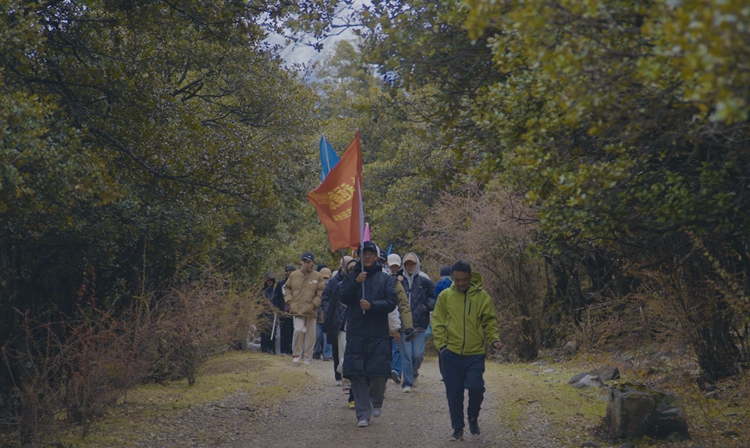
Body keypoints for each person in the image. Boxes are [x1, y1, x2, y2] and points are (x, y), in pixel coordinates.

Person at [432, 261, 503, 441]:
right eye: (457, 280)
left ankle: (473, 416)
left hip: (475, 353)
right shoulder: (445, 296)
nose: (461, 283)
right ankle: (457, 428)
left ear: (470, 277)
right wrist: (442, 347)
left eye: (464, 279)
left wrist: (494, 340)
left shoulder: (482, 297)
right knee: (454, 392)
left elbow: (490, 321)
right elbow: (438, 322)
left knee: (476, 387)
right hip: (451, 353)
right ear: (452, 278)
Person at [338, 241, 398, 427]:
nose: (368, 257)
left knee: (378, 372)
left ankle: (377, 399)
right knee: (357, 373)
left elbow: (391, 302)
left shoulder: (385, 278)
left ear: (377, 256)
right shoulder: (351, 276)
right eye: (364, 253)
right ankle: (363, 414)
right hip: (356, 332)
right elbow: (343, 297)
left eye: (371, 253)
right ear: (359, 256)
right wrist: (357, 282)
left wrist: (372, 306)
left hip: (378, 333)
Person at [398, 252, 435, 392]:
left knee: (417, 355)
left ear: (417, 264)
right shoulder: (399, 280)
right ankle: (407, 383)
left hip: (420, 324)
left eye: (412, 264)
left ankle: (414, 373)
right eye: (407, 264)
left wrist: (427, 307)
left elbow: (435, 296)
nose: (410, 266)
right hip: (403, 325)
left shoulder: (424, 280)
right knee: (406, 355)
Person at [284, 252, 325, 365]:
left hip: (311, 310)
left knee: (311, 335)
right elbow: (287, 288)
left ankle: (308, 357)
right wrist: (289, 301)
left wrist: (314, 304)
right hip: (297, 309)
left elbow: (321, 292)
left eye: (309, 262)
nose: (306, 264)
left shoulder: (318, 276)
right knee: (298, 330)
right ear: (301, 261)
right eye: (304, 261)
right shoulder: (294, 275)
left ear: (312, 262)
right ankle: (297, 354)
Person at [433, 266, 453, 380]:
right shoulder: (456, 285)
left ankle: (444, 373)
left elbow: (435, 302)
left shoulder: (439, 286)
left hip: (441, 318)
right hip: (454, 320)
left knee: (441, 347)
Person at [272, 265, 296, 355]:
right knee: (284, 331)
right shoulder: (280, 283)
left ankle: (291, 349)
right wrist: (276, 308)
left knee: (293, 331)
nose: (289, 274)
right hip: (283, 310)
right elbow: (276, 297)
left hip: (294, 311)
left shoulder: (297, 283)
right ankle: (284, 350)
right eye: (288, 272)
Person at [314, 268, 334, 360]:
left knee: (327, 338)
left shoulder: (333, 286)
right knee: (317, 336)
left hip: (328, 316)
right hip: (317, 316)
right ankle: (316, 351)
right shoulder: (315, 286)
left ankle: (326, 355)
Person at [260, 273, 276, 354]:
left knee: (272, 331)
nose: (270, 282)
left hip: (272, 314)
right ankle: (264, 348)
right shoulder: (262, 291)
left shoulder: (275, 291)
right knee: (263, 331)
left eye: (271, 281)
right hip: (263, 313)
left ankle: (271, 348)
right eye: (268, 280)